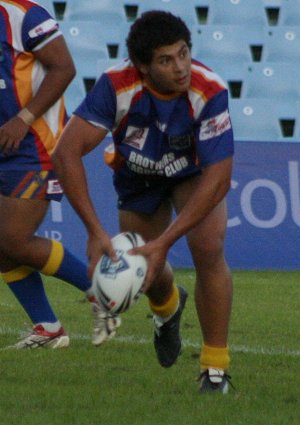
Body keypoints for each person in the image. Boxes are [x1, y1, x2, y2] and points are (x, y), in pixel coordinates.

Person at [53, 10, 234, 393]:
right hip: (137, 174)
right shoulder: (116, 85)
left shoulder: (209, 89)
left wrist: (167, 239)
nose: (181, 67)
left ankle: (215, 368)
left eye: (184, 53)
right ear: (143, 66)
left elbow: (218, 178)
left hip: (193, 173)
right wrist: (93, 231)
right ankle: (167, 307)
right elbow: (65, 153)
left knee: (208, 245)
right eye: (166, 60)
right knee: (146, 266)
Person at [0, 0, 120, 349]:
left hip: (34, 145)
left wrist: (23, 119)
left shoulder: (23, 14)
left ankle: (103, 293)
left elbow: (64, 68)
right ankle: (48, 328)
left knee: (14, 238)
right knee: (3, 245)